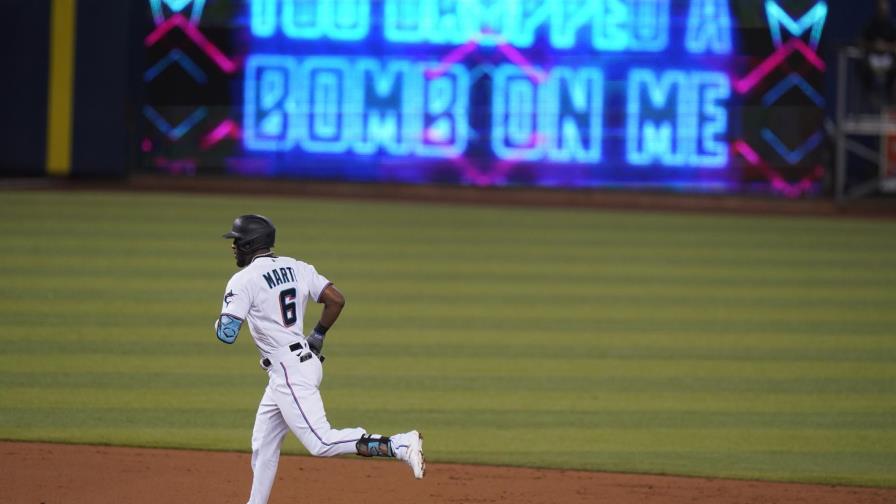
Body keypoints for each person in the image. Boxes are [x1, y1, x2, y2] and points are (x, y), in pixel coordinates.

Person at [215, 214, 425, 504]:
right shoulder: (297, 267)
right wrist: (318, 334)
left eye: (237, 241)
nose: (233, 247)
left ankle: (400, 444)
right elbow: (336, 299)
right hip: (300, 362)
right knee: (264, 443)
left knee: (321, 442)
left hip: (289, 372)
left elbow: (226, 333)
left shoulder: (243, 280)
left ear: (250, 244)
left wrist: (220, 321)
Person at [861, 0, 896, 104]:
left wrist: (885, 46)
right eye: (881, 8)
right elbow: (861, 42)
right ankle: (870, 94)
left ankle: (890, 99)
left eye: (885, 8)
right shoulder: (870, 25)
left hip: (888, 58)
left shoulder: (891, 26)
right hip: (872, 57)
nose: (883, 10)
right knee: (862, 66)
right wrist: (874, 46)